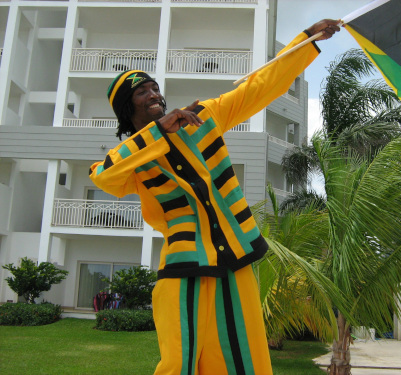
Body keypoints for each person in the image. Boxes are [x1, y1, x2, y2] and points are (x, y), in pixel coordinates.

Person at [89, 19, 341, 375]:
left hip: (236, 257)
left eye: (155, 88)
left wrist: (308, 39)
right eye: (142, 92)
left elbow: (260, 86)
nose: (155, 95)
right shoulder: (134, 160)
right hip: (184, 265)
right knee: (179, 361)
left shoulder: (205, 116)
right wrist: (159, 132)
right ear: (127, 110)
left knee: (243, 360)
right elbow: (103, 175)